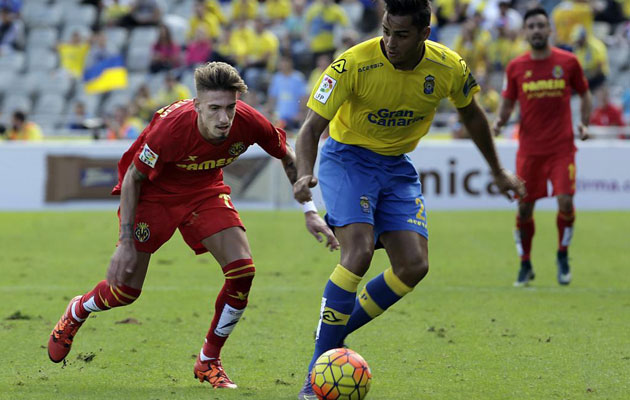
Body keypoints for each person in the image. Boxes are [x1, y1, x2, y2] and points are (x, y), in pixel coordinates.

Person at [47, 62, 337, 389]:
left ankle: (208, 360)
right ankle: (77, 311)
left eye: (230, 108)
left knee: (243, 270)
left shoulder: (249, 121)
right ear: (197, 105)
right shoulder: (170, 130)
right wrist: (125, 243)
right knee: (125, 291)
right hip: (154, 196)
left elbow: (287, 155)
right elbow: (133, 179)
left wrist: (309, 210)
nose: (224, 118)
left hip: (204, 191)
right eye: (214, 109)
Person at [292, 1, 524, 398]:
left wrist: (498, 171)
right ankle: (318, 369)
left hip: (396, 166)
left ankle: (334, 330)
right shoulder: (352, 64)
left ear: (424, 35)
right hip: (347, 158)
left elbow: (472, 116)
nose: (389, 42)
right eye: (385, 30)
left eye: (401, 35)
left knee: (414, 265)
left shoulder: (448, 66)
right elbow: (311, 128)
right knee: (359, 252)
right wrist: (302, 175)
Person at [493, 7, 592, 287]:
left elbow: (585, 94)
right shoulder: (516, 67)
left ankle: (562, 254)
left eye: (541, 25)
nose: (536, 30)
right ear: (525, 32)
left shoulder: (568, 62)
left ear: (549, 30)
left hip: (561, 147)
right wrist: (499, 122)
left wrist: (584, 123)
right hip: (529, 151)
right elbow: (508, 100)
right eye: (531, 26)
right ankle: (525, 263)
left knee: (565, 201)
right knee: (524, 209)